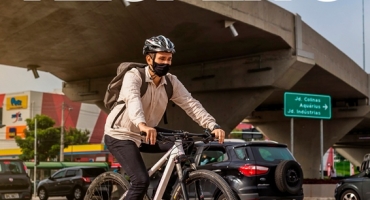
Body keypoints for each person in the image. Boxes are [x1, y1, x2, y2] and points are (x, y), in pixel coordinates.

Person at [104, 35, 225, 200]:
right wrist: (142, 125)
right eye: (162, 58)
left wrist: (213, 125)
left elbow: (190, 104)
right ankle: (143, 185)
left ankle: (165, 193)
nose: (166, 63)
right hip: (120, 133)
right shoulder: (134, 75)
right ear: (149, 58)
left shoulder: (171, 82)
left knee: (185, 143)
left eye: (169, 59)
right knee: (140, 181)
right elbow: (133, 99)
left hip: (147, 132)